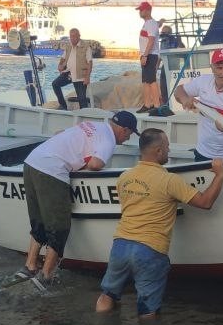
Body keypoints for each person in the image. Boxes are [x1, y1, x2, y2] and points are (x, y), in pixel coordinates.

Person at [95, 128, 223, 317]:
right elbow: (205, 202)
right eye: (167, 147)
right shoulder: (169, 180)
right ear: (158, 151)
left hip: (120, 245)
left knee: (107, 295)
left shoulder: (124, 178)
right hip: (150, 249)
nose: (169, 151)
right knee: (147, 312)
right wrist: (219, 175)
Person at [18, 111, 140, 283]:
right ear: (125, 130)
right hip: (51, 170)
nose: (127, 139)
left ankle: (30, 265)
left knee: (40, 221)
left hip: (31, 162)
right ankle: (46, 276)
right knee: (59, 226)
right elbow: (95, 164)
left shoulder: (94, 125)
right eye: (130, 134)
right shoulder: (109, 140)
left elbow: (60, 134)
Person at [172, 47, 223, 160]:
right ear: (212, 68)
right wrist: (185, 100)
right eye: (219, 68)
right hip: (203, 151)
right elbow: (179, 90)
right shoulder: (203, 81)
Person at [52, 28, 93, 110]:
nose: (73, 38)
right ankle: (63, 105)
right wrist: (60, 65)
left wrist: (87, 77)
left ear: (79, 36)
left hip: (80, 76)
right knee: (55, 84)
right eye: (71, 36)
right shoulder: (68, 46)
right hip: (69, 73)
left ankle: (84, 115)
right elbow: (63, 58)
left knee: (82, 99)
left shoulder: (86, 47)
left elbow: (90, 63)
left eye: (74, 36)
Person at [137, 2, 162, 113]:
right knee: (146, 81)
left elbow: (151, 40)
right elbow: (157, 25)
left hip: (150, 55)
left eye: (141, 10)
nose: (140, 12)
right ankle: (147, 104)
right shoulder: (149, 23)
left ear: (147, 10)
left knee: (151, 80)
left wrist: (145, 55)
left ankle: (156, 105)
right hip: (146, 54)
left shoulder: (151, 24)